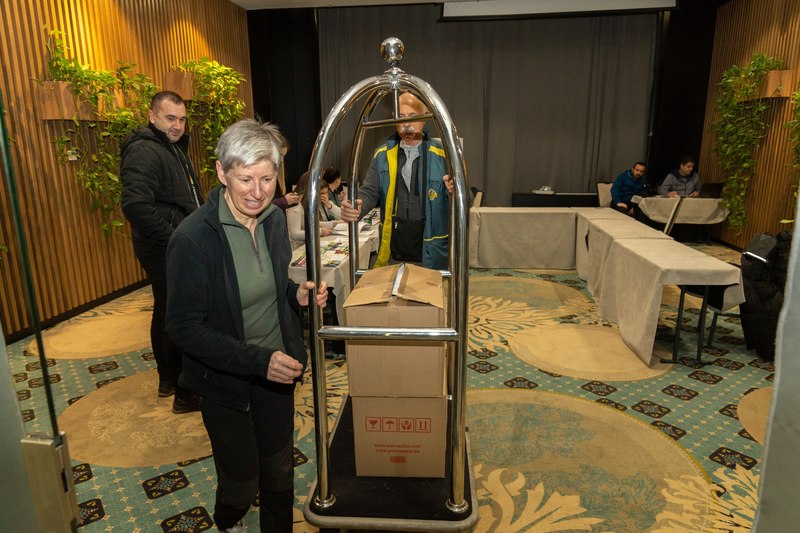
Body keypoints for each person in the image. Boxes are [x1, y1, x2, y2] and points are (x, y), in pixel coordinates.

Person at [164, 119, 329, 533]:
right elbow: (183, 328)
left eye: (267, 179)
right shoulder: (192, 239)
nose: (258, 192)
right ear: (222, 173)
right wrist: (258, 361)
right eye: (245, 179)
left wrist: (296, 295)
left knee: (279, 471)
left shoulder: (273, 220)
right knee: (241, 483)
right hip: (224, 382)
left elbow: (271, 284)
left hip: (277, 372)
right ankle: (228, 521)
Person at [120, 91, 203, 414]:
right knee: (179, 315)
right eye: (170, 118)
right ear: (152, 116)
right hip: (164, 247)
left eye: (182, 119)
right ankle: (185, 390)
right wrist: (176, 239)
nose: (177, 125)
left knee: (166, 310)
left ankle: (168, 378)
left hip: (170, 244)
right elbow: (135, 206)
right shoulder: (145, 150)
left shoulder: (170, 147)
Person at [340, 91, 454, 270]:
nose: (406, 124)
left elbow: (466, 201)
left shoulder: (444, 155)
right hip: (394, 252)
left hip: (431, 254)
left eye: (413, 117)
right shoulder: (382, 155)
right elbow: (369, 192)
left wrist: (453, 191)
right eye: (401, 117)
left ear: (425, 118)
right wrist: (356, 207)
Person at [285, 170, 342, 249]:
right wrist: (320, 232)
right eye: (322, 193)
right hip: (296, 248)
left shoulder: (307, 205)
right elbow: (295, 234)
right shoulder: (295, 207)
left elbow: (313, 223)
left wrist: (333, 224)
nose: (325, 196)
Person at [267, 127, 302, 211]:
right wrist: (284, 201)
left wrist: (292, 201)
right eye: (280, 155)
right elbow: (261, 207)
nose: (282, 160)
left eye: (284, 156)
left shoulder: (277, 175)